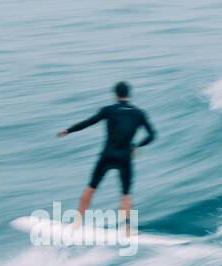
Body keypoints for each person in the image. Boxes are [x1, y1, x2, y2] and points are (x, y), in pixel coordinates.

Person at [57, 82, 156, 220]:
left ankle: (77, 221)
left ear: (115, 95)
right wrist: (137, 146)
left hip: (108, 155)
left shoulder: (108, 110)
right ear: (129, 94)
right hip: (125, 157)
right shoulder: (139, 113)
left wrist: (67, 131)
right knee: (126, 194)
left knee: (91, 188)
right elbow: (152, 135)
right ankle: (127, 229)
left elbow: (88, 122)